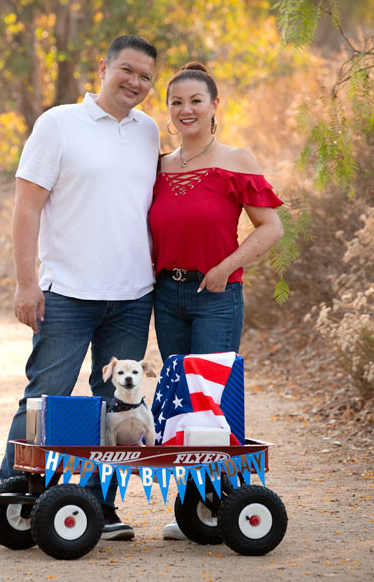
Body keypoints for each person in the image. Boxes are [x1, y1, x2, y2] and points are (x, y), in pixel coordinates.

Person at [0, 35, 160, 541]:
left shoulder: (149, 131)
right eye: (127, 70)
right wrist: (27, 283)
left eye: (146, 77)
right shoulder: (58, 124)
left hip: (133, 294)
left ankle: (98, 509)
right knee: (44, 400)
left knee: (114, 408)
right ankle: (16, 500)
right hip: (66, 291)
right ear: (103, 68)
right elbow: (26, 207)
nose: (135, 82)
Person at [148, 62, 284, 540]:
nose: (186, 110)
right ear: (168, 111)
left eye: (195, 101)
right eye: (176, 102)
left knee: (214, 403)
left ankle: (226, 508)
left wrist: (226, 267)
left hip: (217, 295)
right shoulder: (158, 165)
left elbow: (271, 227)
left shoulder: (236, 160)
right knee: (183, 401)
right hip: (167, 294)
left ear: (214, 106)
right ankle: (193, 510)